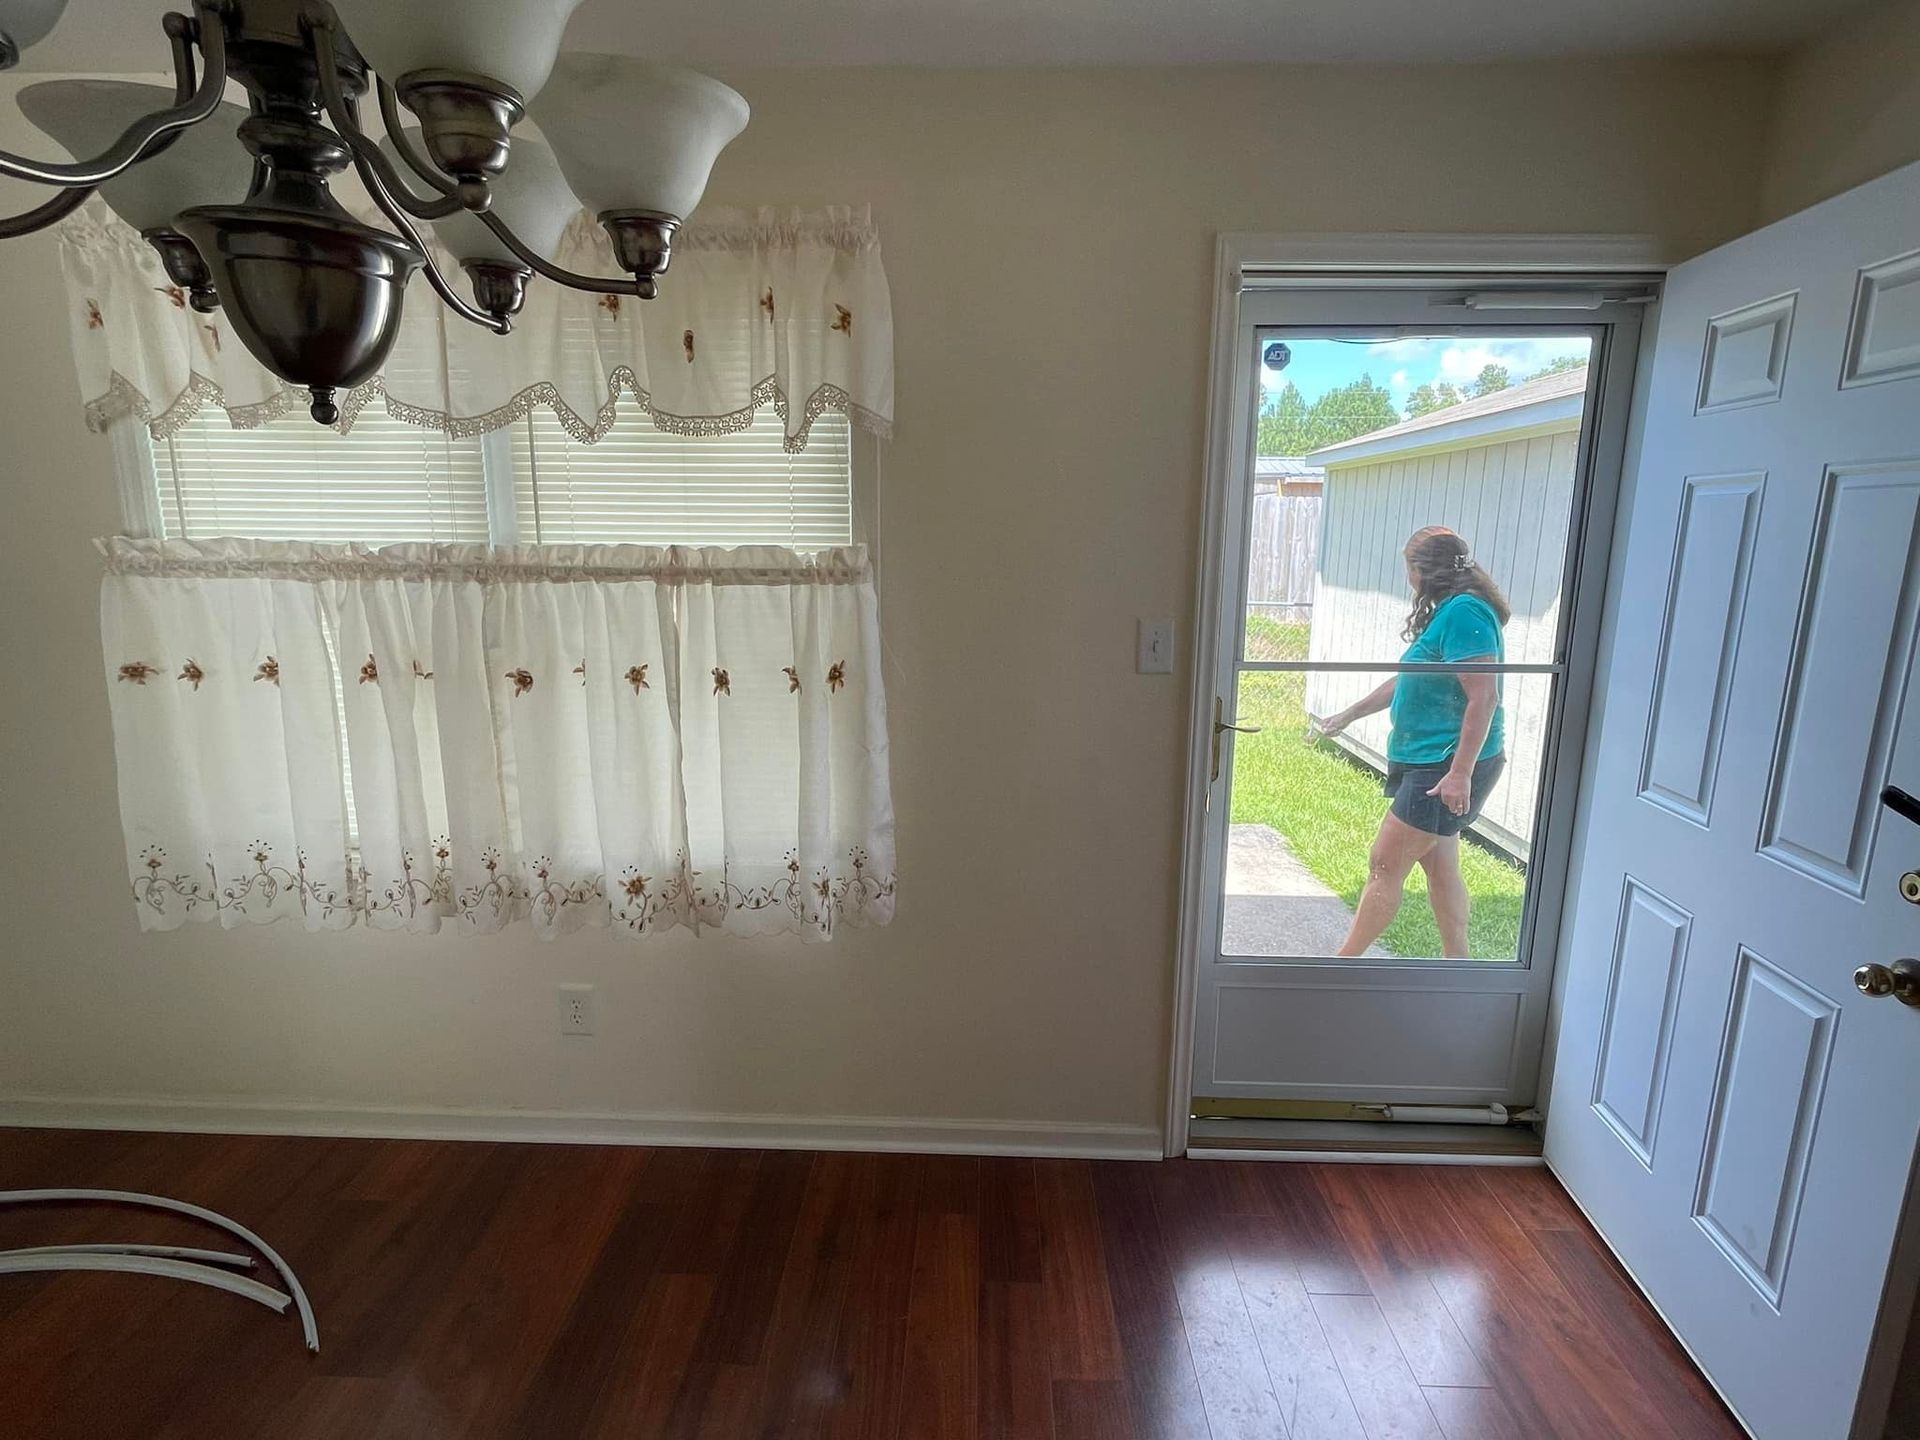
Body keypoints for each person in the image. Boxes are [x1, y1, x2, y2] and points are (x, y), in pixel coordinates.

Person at [1312, 526, 1508, 959]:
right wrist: (1349, 714)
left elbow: (1484, 696)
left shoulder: (1465, 614)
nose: (1408, 577)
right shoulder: (1450, 612)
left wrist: (1460, 774)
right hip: (1429, 761)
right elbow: (1409, 679)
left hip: (1443, 766)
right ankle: (1457, 966)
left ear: (1423, 571)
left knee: (1385, 864)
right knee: (1440, 867)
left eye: (1409, 568)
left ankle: (1341, 966)